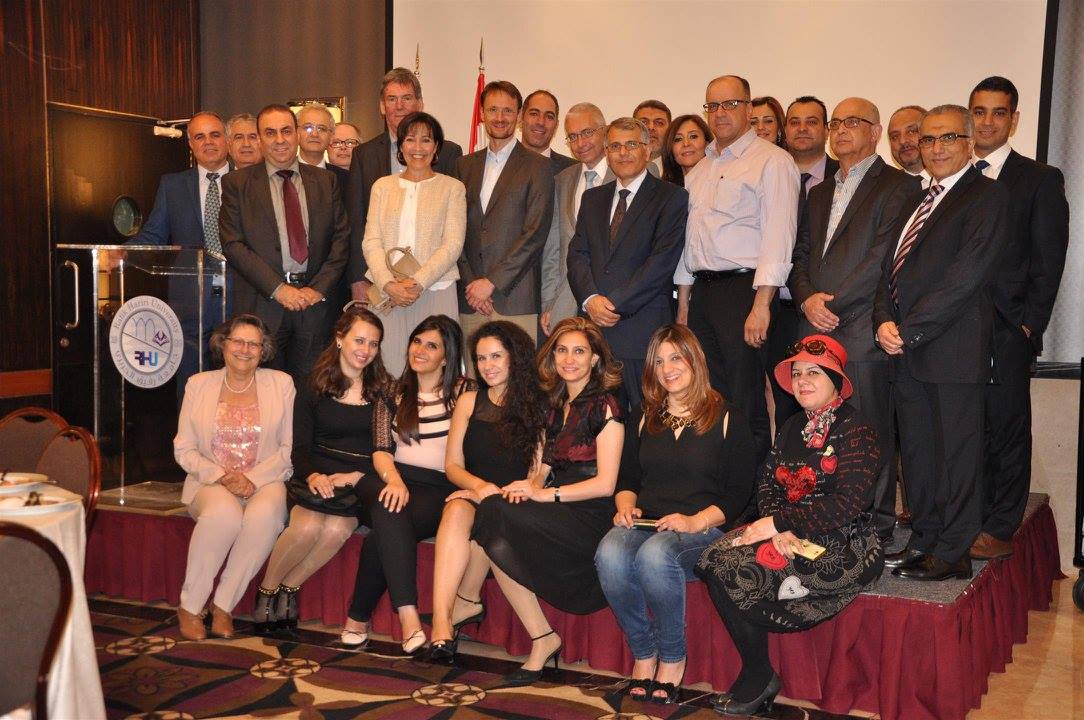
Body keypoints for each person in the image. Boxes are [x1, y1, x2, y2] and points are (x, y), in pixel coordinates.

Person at [696, 334, 884, 716]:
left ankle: (756, 676)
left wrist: (781, 523)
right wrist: (777, 527)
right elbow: (767, 482)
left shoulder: (857, 430)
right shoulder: (793, 425)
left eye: (814, 372)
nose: (802, 381)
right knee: (712, 558)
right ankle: (759, 670)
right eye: (797, 373)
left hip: (842, 543)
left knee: (736, 570)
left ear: (837, 380)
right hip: (787, 532)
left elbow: (847, 505)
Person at [874, 105, 1009, 581]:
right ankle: (925, 541)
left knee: (956, 457)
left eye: (948, 137)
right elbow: (889, 271)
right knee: (918, 456)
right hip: (906, 351)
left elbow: (965, 278)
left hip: (951, 350)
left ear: (969, 143)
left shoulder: (988, 196)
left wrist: (908, 329)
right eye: (928, 139)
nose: (936, 147)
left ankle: (953, 552)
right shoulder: (915, 198)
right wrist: (882, 321)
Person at [596, 324, 755, 703]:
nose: (667, 369)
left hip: (703, 529)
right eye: (659, 361)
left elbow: (739, 494)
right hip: (648, 523)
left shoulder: (728, 416)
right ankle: (643, 652)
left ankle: (672, 656)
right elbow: (628, 479)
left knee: (655, 554)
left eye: (676, 358)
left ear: (694, 360)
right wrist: (625, 507)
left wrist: (695, 521)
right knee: (609, 551)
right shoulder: (643, 415)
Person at [789, 97, 920, 546]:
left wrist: (833, 304)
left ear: (876, 131)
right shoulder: (819, 191)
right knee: (819, 431)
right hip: (814, 326)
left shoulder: (899, 186)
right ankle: (826, 519)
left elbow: (884, 258)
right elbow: (801, 254)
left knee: (867, 432)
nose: (841, 129)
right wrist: (806, 299)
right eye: (837, 123)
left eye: (853, 122)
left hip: (861, 327)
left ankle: (874, 529)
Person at [471, 317, 624, 685]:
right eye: (561, 351)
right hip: (557, 507)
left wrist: (544, 494)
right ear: (552, 357)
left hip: (590, 515)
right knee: (495, 527)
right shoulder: (554, 405)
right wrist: (525, 487)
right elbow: (539, 470)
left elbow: (606, 485)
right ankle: (542, 637)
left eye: (579, 351)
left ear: (594, 359)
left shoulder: (605, 406)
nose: (569, 359)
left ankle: (467, 601)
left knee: (493, 514)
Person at [967, 76, 1069, 560]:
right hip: (956, 327)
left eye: (998, 112)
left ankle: (1001, 525)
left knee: (1006, 428)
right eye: (979, 111)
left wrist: (1028, 325)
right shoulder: (956, 176)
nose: (987, 121)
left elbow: (1049, 260)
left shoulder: (1039, 179)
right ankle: (968, 515)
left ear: (1014, 120)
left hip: (1008, 327)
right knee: (969, 427)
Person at [675, 75, 799, 461]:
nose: (721, 113)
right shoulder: (700, 168)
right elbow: (689, 242)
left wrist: (762, 304)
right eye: (713, 106)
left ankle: (753, 489)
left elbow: (779, 235)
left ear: (748, 108)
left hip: (745, 292)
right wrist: (684, 306)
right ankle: (722, 484)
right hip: (702, 292)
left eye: (730, 104)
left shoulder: (772, 161)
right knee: (710, 397)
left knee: (746, 400)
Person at [252, 306, 395, 633]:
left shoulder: (383, 389)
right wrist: (314, 476)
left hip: (356, 482)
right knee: (305, 529)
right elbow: (299, 448)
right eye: (359, 340)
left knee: (335, 531)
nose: (365, 350)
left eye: (373, 344)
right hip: (314, 475)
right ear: (340, 338)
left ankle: (289, 586)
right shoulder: (313, 384)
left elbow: (386, 448)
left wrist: (358, 478)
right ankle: (267, 590)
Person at [342, 315, 473, 652]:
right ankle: (409, 616)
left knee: (384, 527)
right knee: (390, 501)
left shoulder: (464, 392)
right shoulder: (392, 391)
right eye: (417, 341)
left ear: (446, 356)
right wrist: (396, 481)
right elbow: (380, 449)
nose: (420, 350)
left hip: (439, 486)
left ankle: (358, 617)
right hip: (391, 477)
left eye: (432, 346)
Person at [426, 320, 548, 663]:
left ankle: (464, 603)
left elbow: (537, 474)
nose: (487, 365)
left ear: (514, 357)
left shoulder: (539, 404)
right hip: (475, 492)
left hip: (516, 500)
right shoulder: (468, 401)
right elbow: (452, 466)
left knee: (483, 518)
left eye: (496, 356)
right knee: (455, 509)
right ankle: (441, 625)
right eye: (481, 358)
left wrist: (498, 495)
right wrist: (479, 488)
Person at [173, 315, 294, 640]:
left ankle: (223, 605)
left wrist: (252, 479)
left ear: (263, 350)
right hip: (211, 481)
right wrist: (221, 476)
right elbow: (184, 449)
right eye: (238, 341)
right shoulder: (198, 384)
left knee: (266, 518)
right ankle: (190, 605)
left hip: (265, 479)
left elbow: (287, 449)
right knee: (223, 516)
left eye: (254, 344)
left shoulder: (281, 384)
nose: (245, 349)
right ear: (223, 344)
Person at [220, 103, 350, 387]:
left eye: (286, 131)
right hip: (263, 306)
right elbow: (233, 245)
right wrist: (279, 290)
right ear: (259, 138)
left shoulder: (326, 181)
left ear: (297, 134)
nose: (279, 140)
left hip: (315, 308)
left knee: (311, 392)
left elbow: (341, 240)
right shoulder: (236, 184)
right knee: (263, 392)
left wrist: (317, 289)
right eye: (270, 133)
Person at [568, 117, 688, 411]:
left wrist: (612, 305)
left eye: (631, 145)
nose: (623, 153)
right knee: (597, 418)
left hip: (642, 331)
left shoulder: (671, 197)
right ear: (607, 153)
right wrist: (590, 299)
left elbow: (661, 263)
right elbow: (577, 254)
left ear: (647, 150)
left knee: (645, 417)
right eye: (615, 146)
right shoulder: (592, 198)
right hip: (595, 331)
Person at [361, 112, 466, 377]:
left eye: (426, 140)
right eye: (410, 139)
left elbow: (452, 244)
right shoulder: (382, 187)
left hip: (436, 290)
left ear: (436, 147)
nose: (417, 147)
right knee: (388, 369)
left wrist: (418, 282)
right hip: (388, 294)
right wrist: (388, 284)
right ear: (400, 145)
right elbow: (371, 241)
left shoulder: (453, 188)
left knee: (435, 372)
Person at [346, 68, 463, 305]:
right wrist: (360, 279)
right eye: (392, 99)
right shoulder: (363, 155)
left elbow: (453, 235)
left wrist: (418, 280)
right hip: (380, 283)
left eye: (406, 98)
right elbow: (357, 223)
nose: (399, 106)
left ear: (420, 103)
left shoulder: (450, 153)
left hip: (435, 283)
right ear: (382, 107)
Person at [456, 80, 554, 343]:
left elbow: (535, 234)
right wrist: (473, 285)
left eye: (508, 111)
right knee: (476, 369)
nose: (500, 118)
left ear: (519, 115)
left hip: (515, 300)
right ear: (482, 114)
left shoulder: (538, 167)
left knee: (518, 370)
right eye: (493, 110)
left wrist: (491, 283)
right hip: (471, 301)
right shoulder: (463, 166)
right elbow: (456, 232)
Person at [768, 96, 840, 425]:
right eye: (794, 122)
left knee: (828, 401)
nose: (802, 128)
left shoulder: (845, 176)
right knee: (784, 403)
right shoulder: (769, 171)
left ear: (826, 129)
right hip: (776, 306)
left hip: (826, 308)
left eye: (811, 121)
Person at [541, 102, 613, 334]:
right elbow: (553, 249)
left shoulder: (627, 173)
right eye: (572, 137)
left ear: (605, 131)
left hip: (612, 303)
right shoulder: (562, 180)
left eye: (587, 133)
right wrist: (549, 303)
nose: (580, 143)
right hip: (567, 302)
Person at [520, 89, 577, 174]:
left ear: (556, 125)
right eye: (534, 114)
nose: (541, 122)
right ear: (521, 117)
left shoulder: (573, 171)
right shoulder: (502, 162)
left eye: (549, 116)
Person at [660, 114, 713, 186]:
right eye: (678, 139)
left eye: (693, 136)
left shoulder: (720, 182)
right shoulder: (663, 189)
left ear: (707, 143)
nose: (686, 144)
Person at [887, 106, 929, 181]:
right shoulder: (884, 185)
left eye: (911, 131)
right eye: (895, 136)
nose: (902, 141)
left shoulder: (949, 180)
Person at [633, 99, 671, 177]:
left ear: (670, 129)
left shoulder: (681, 169)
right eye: (643, 122)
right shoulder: (618, 167)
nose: (651, 127)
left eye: (659, 123)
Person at [297, 103, 335, 168]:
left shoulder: (342, 174)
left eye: (321, 129)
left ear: (331, 137)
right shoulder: (282, 172)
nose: (314, 134)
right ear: (296, 133)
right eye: (308, 128)